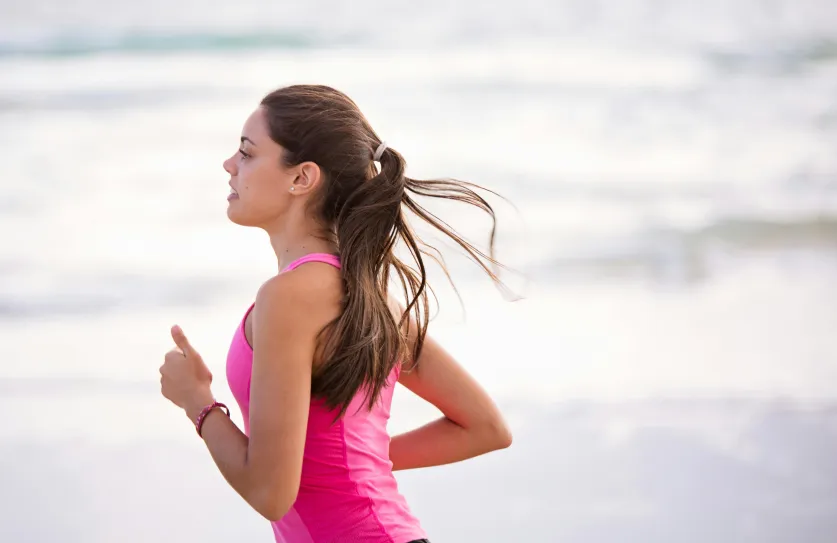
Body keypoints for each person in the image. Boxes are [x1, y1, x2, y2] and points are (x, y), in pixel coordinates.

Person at [159, 84, 513, 543]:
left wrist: (198, 403)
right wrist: (356, 463)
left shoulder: (289, 297)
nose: (229, 165)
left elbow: (269, 493)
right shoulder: (364, 293)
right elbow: (485, 428)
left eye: (247, 153)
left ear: (302, 178)